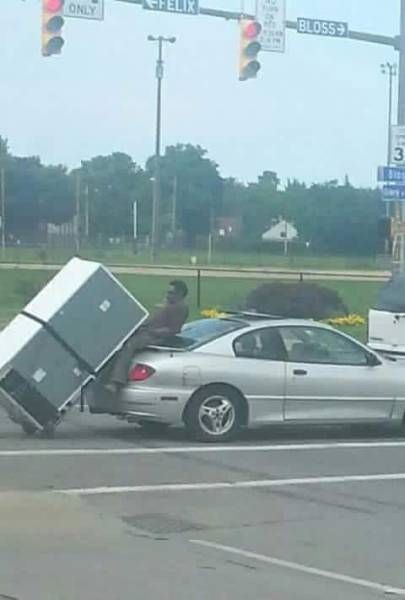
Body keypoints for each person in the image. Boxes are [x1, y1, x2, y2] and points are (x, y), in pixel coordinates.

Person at [104, 280, 189, 392]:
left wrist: (152, 331)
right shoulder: (169, 303)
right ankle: (105, 374)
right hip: (147, 331)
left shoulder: (180, 307)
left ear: (180, 294)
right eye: (168, 292)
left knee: (130, 345)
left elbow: (173, 329)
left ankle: (117, 382)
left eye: (171, 293)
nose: (168, 295)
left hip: (156, 338)